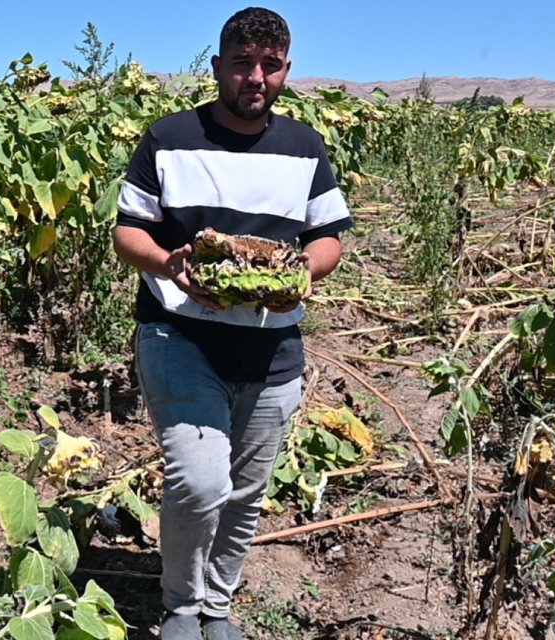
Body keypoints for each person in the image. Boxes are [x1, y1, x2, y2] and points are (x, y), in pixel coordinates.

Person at [111, 7, 353, 639]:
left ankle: (218, 602)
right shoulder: (168, 138)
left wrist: (304, 270)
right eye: (242, 63)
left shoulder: (304, 147)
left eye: (269, 66)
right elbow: (127, 232)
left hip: (273, 349)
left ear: (286, 71)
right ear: (218, 67)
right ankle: (182, 607)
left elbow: (330, 237)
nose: (255, 78)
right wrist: (170, 262)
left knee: (247, 489)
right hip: (180, 336)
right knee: (199, 480)